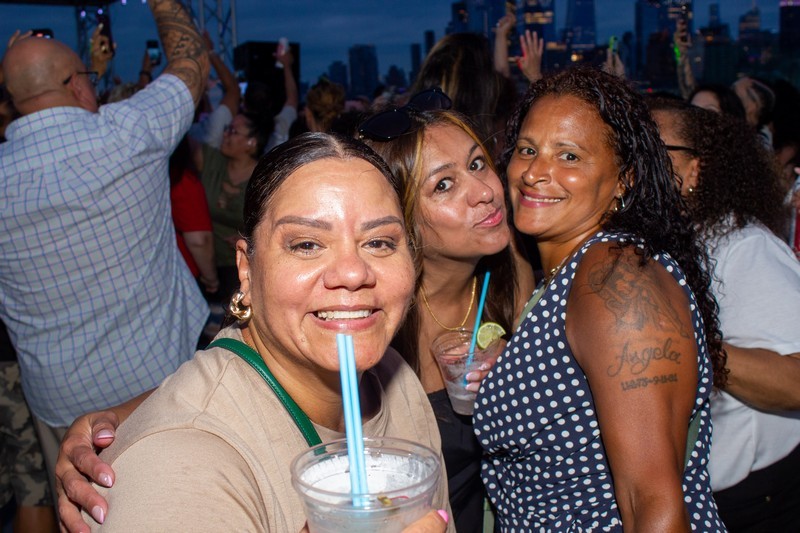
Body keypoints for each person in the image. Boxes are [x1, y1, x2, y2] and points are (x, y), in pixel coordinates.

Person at [55, 89, 534, 533]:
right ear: (246, 269)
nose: (353, 272)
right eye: (306, 244)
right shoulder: (181, 469)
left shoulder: (395, 377)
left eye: (379, 242)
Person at [475, 67, 727, 531]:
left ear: (624, 180)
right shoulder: (573, 273)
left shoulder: (615, 279)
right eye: (527, 150)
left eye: (568, 156)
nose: (534, 172)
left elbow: (653, 503)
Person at [0, 0, 209, 491]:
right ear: (76, 84)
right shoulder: (128, 133)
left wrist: (14, 72)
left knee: (84, 510)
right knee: (180, 504)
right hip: (157, 387)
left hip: (60, 401)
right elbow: (191, 60)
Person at [358, 96, 535, 531]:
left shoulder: (513, 272)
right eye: (444, 185)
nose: (485, 192)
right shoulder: (376, 323)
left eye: (477, 164)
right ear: (401, 219)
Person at [649, 98, 800, 532]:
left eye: (654, 151)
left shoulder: (742, 246)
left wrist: (686, 346)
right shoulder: (662, 244)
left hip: (755, 501)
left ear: (695, 171)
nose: (635, 163)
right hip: (692, 497)